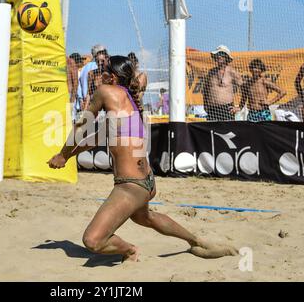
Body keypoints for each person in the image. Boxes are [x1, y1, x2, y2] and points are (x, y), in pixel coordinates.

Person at [48, 56, 238, 262]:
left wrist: (62, 154)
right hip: (147, 182)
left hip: (130, 185)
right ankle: (197, 242)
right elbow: (95, 139)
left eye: (103, 71)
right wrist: (67, 156)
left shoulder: (105, 92)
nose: (99, 75)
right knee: (144, 217)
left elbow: (79, 127)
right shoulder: (130, 101)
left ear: (112, 77)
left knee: (93, 240)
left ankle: (130, 250)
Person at [202, 45, 243, 121]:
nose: (219, 56)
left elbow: (245, 89)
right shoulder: (211, 72)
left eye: (222, 54)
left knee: (227, 132)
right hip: (212, 110)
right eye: (218, 54)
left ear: (226, 57)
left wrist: (239, 107)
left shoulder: (232, 72)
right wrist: (205, 106)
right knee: (212, 132)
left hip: (227, 109)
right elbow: (205, 90)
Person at [76, 44, 107, 117]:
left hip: (107, 109)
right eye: (97, 61)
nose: (100, 64)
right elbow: (89, 93)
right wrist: (85, 109)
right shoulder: (92, 73)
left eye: (102, 61)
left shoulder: (111, 74)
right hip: (95, 108)